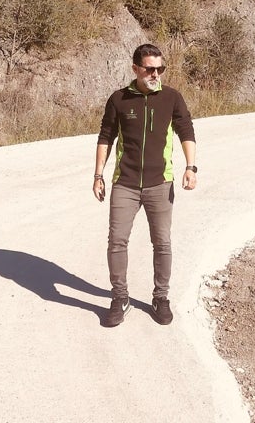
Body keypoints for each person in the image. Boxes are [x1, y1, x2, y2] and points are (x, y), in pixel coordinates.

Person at [93, 43, 197, 327]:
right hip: (124, 183)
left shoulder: (172, 98)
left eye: (160, 69)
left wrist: (190, 167)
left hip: (160, 183)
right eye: (149, 69)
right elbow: (106, 137)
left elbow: (186, 130)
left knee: (162, 243)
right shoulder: (119, 100)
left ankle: (160, 298)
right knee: (117, 242)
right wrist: (98, 175)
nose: (155, 74)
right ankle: (120, 298)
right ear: (135, 69)